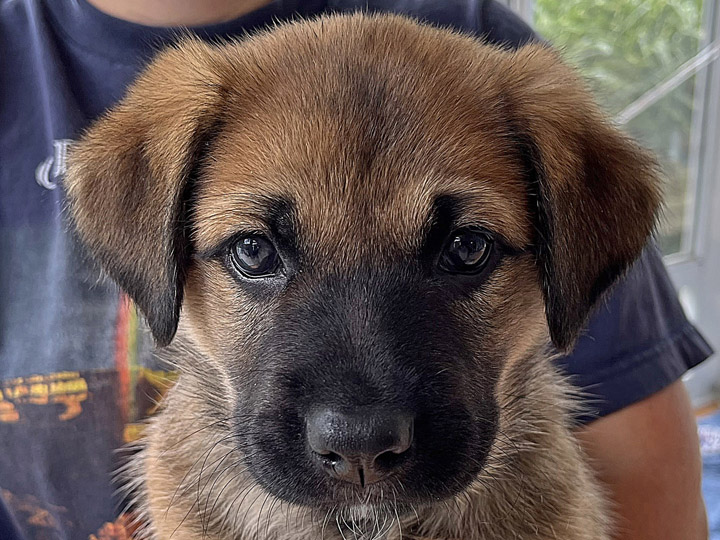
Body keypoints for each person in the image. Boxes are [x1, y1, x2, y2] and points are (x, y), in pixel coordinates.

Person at [0, 1, 712, 539]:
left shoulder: (483, 44)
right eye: (255, 252)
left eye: (467, 249)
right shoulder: (188, 497)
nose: (359, 429)